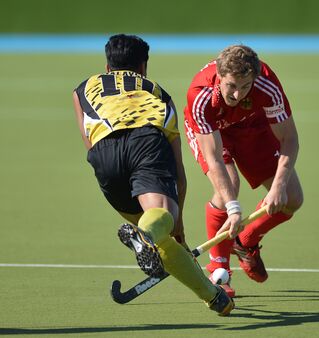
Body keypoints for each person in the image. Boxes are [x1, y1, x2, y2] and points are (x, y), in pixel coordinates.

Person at [71, 34, 233, 316]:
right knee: (161, 224)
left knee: (159, 238)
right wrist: (178, 221)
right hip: (146, 142)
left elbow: (88, 137)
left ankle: (215, 298)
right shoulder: (157, 92)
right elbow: (178, 169)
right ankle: (146, 235)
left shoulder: (83, 89)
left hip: (103, 153)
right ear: (143, 66)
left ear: (107, 66)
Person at [183, 44, 304, 297]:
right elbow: (214, 159)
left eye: (245, 87)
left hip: (252, 124)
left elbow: (289, 139)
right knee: (229, 185)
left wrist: (279, 185)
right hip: (215, 132)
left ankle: (245, 240)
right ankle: (219, 270)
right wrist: (234, 208)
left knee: (292, 198)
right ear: (219, 76)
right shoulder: (200, 94)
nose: (238, 94)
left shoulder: (266, 85)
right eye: (231, 86)